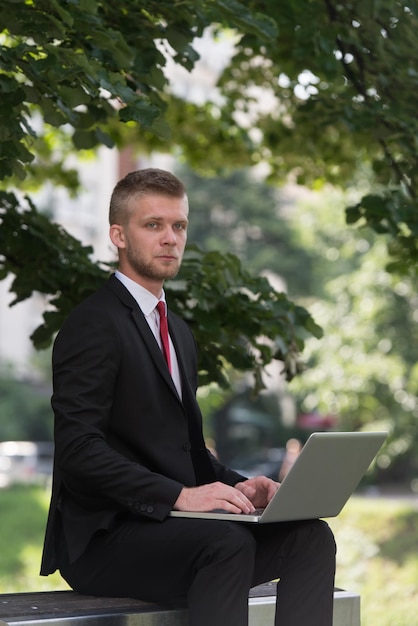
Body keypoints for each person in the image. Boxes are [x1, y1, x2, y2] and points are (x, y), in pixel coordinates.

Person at [41, 168, 336, 626]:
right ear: (118, 235)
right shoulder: (93, 324)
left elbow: (188, 451)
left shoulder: (176, 330)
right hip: (105, 538)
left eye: (178, 226)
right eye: (153, 225)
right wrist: (181, 496)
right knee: (226, 545)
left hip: (171, 527)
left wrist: (242, 486)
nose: (170, 239)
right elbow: (79, 451)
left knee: (310, 537)